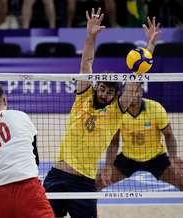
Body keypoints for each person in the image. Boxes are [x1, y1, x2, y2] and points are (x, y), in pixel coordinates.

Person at [43, 8, 159, 218]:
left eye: (110, 92)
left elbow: (136, 79)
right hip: (57, 177)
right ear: (97, 87)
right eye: (103, 89)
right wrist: (90, 36)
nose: (105, 94)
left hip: (84, 183)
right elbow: (86, 64)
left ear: (116, 95)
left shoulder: (116, 111)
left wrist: (149, 46)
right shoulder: (83, 97)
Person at [96, 83, 183, 218]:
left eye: (135, 91)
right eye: (129, 92)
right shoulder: (118, 111)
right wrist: (108, 166)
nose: (132, 95)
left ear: (141, 92)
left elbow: (168, 135)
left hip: (156, 158)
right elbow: (114, 141)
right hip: (128, 159)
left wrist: (173, 158)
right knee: (96, 183)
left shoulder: (155, 108)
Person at [0, 82, 54, 218]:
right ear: (5, 99)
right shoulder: (21, 116)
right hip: (28, 189)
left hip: (1, 197)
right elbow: (35, 159)